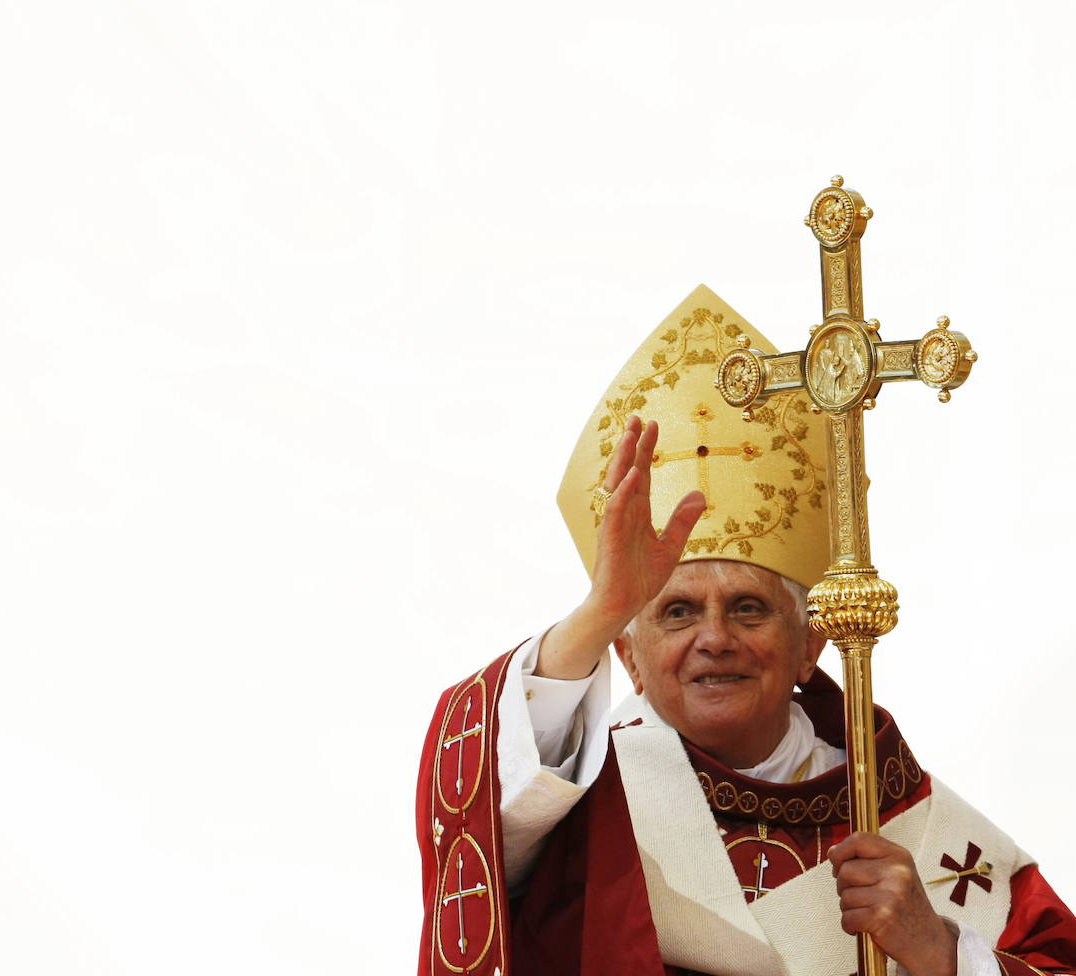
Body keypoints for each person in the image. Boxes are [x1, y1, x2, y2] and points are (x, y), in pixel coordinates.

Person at [416, 286, 1076, 976]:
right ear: (628, 657)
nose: (715, 637)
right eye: (676, 611)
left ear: (811, 644)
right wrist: (602, 606)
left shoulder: (906, 816)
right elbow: (473, 825)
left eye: (749, 607)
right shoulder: (575, 797)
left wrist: (941, 952)